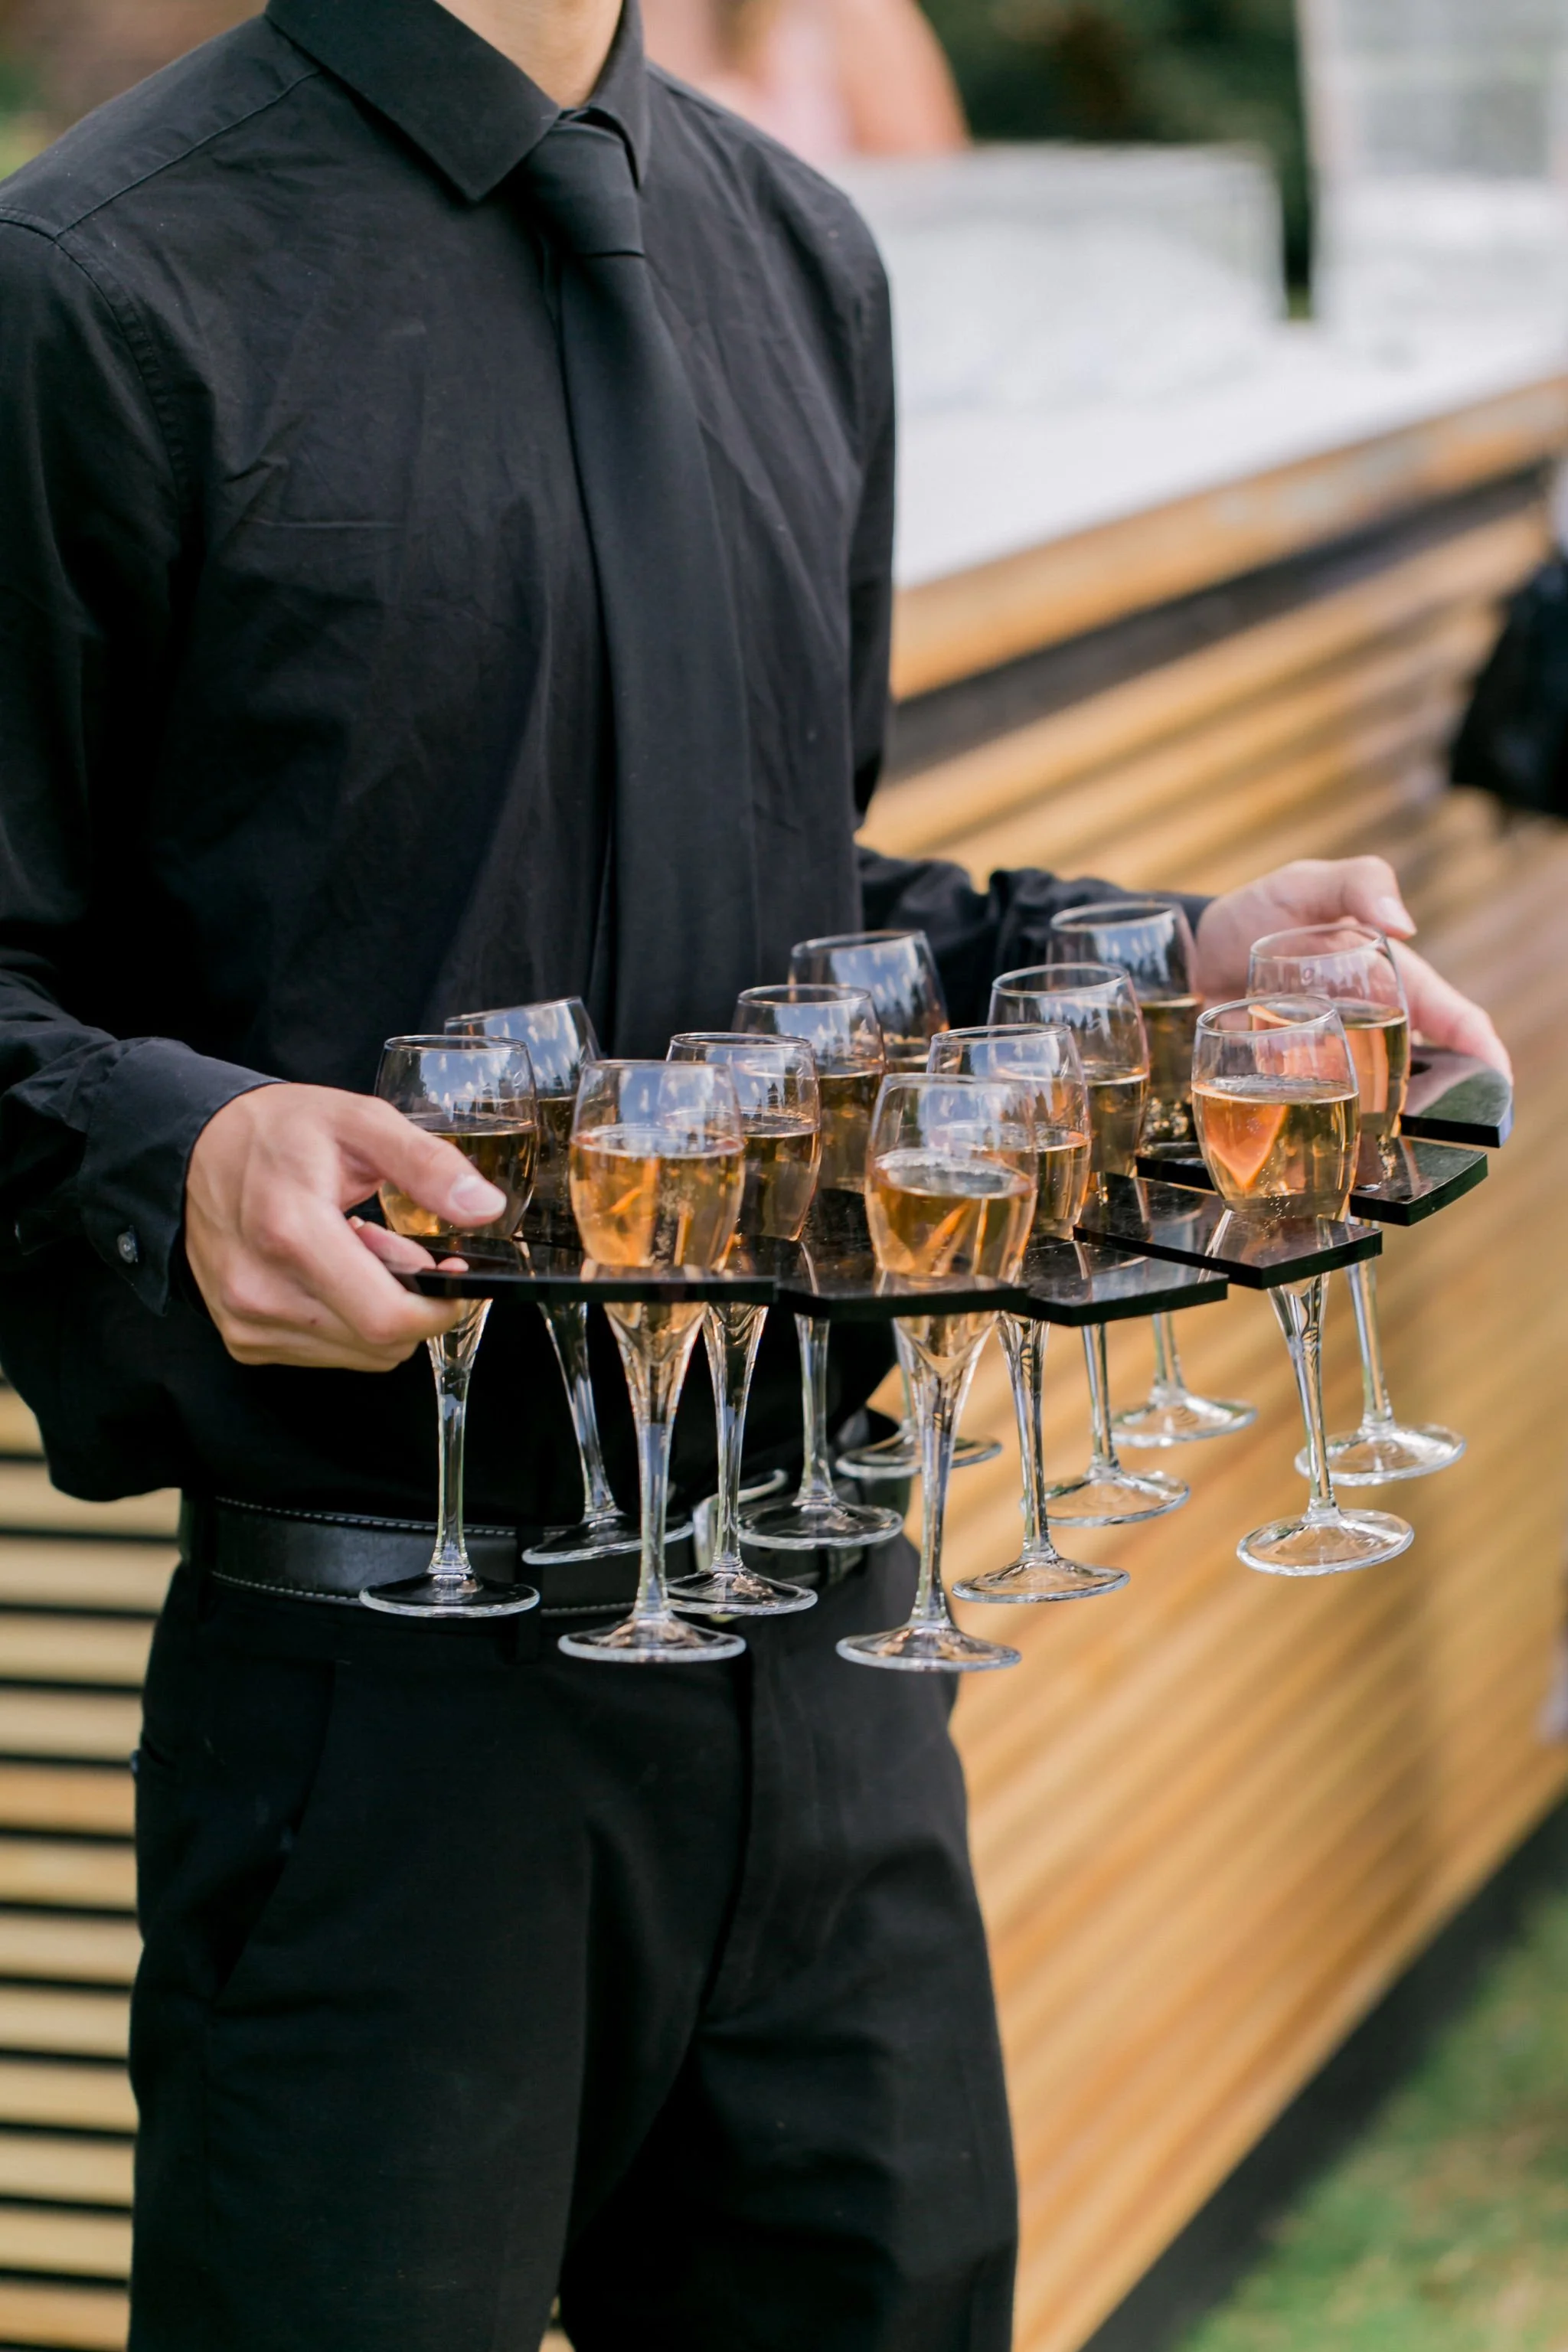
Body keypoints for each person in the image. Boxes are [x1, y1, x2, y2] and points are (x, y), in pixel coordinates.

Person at [0, 2, 1509, 2347]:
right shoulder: (89, 284)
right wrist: (179, 1149)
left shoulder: (802, 252)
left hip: (831, 1645)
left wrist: (1174, 957)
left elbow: (795, 930)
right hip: (384, 1714)